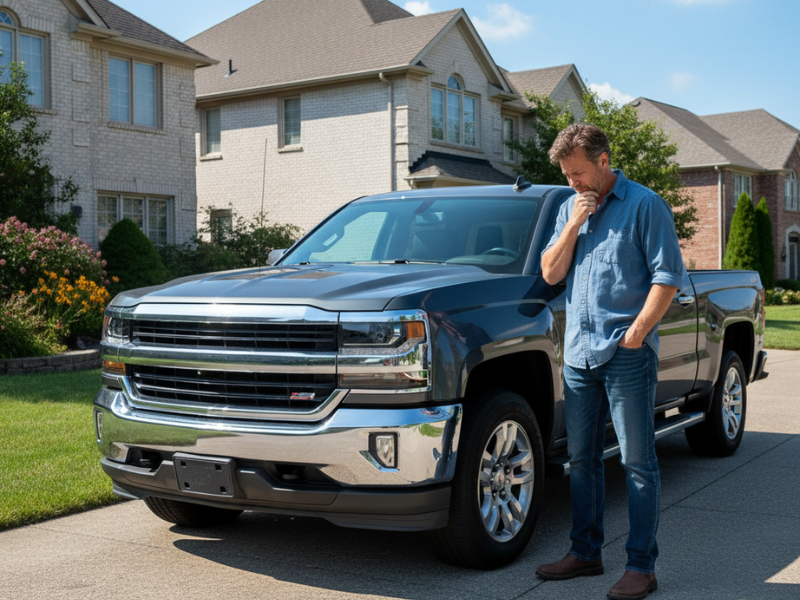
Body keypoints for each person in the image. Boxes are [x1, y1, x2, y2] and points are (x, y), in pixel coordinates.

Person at [536, 124, 687, 600]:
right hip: (579, 355)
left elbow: (667, 276)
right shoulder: (569, 207)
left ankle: (642, 566)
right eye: (566, 175)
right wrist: (573, 223)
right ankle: (585, 553)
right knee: (581, 461)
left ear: (603, 161)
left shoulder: (645, 205)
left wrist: (636, 335)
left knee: (637, 463)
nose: (572, 182)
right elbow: (551, 272)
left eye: (578, 173)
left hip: (626, 356)